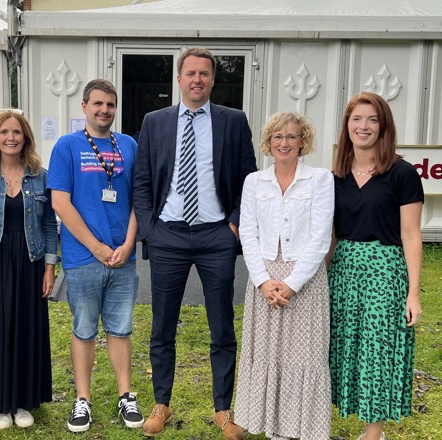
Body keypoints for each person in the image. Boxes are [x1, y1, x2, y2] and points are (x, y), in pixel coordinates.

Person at [133, 47, 258, 440]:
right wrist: (150, 230)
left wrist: (235, 226)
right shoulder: (155, 121)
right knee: (162, 326)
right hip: (167, 234)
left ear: (212, 80)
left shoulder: (233, 121)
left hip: (216, 236)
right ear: (179, 78)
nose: (197, 80)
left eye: (204, 74)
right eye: (190, 73)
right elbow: (142, 179)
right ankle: (162, 404)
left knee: (222, 326)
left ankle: (223, 409)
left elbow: (247, 180)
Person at [47, 79, 144, 433]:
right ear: (85, 106)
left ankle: (125, 396)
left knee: (120, 327)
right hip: (83, 257)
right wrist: (96, 247)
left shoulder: (130, 145)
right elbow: (60, 202)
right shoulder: (68, 146)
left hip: (122, 256)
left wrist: (129, 243)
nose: (105, 110)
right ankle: (83, 400)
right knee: (85, 328)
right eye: (98, 104)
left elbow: (139, 198)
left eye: (111, 105)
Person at [328, 92, 424, 440]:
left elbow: (411, 235)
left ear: (383, 126)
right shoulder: (335, 176)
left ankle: (374, 434)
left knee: (377, 349)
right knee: (345, 347)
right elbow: (333, 235)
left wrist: (413, 293)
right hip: (344, 271)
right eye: (356, 119)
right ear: (346, 125)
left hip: (384, 271)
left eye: (372, 119)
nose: (363, 126)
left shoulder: (402, 173)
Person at [233, 112, 334, 440]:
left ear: (302, 141)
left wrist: (291, 284)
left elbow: (321, 238)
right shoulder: (254, 182)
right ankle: (274, 429)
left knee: (304, 356)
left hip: (304, 280)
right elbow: (247, 233)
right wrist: (263, 281)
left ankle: (303, 428)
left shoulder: (320, 179)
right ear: (268, 142)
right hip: (264, 280)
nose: (284, 143)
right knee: (268, 355)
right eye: (278, 137)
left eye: (291, 136)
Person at [0, 109, 58, 429]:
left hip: (30, 262)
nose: (10, 137)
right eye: (4, 132)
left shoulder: (40, 175)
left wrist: (49, 268)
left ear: (26, 138)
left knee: (26, 328)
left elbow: (48, 224)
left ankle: (22, 402)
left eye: (16, 132)